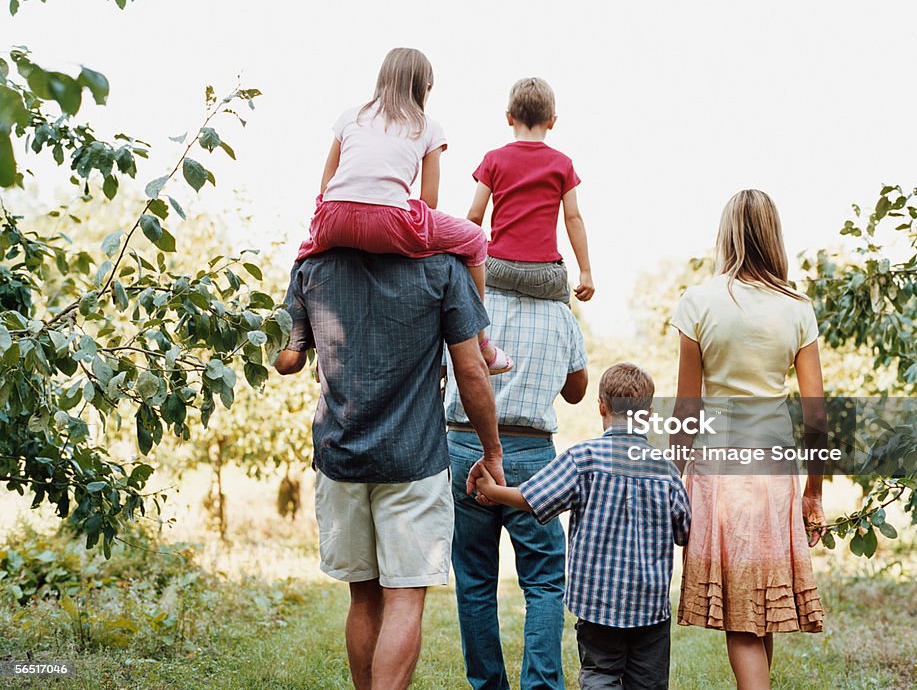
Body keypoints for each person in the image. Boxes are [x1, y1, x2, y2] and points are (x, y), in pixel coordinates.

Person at [275, 247, 506, 690]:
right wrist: (492, 452)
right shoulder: (442, 267)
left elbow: (288, 360)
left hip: (339, 454)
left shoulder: (312, 266)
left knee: (363, 599)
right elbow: (472, 369)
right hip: (413, 459)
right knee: (404, 599)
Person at [670, 189, 827, 690]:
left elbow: (687, 410)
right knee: (757, 607)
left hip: (722, 472)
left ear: (727, 234)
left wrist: (671, 481)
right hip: (776, 471)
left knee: (744, 613)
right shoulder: (798, 309)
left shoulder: (698, 302)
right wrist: (814, 491)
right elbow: (816, 415)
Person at [474, 363, 691, 690]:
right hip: (650, 607)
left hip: (596, 604)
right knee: (648, 683)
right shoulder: (666, 470)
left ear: (601, 406)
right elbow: (684, 530)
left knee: (600, 676)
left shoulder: (583, 458)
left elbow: (533, 498)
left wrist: (492, 491)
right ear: (647, 414)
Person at [296, 47, 511, 373]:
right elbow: (429, 200)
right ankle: (482, 342)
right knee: (476, 239)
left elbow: (326, 184)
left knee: (314, 253)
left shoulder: (350, 117)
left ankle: (318, 345)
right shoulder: (428, 126)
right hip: (388, 223)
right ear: (423, 88)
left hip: (332, 218)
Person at [445, 287, 589, 689]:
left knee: (474, 577)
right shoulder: (560, 314)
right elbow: (577, 392)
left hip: (463, 443)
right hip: (531, 452)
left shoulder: (470, 301)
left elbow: (441, 368)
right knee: (543, 580)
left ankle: (487, 685)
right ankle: (541, 685)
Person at [467, 77, 594, 305]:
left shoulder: (493, 159)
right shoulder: (562, 164)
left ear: (509, 118)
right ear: (552, 121)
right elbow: (573, 218)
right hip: (543, 273)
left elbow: (475, 215)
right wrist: (585, 272)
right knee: (563, 302)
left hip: (497, 267)